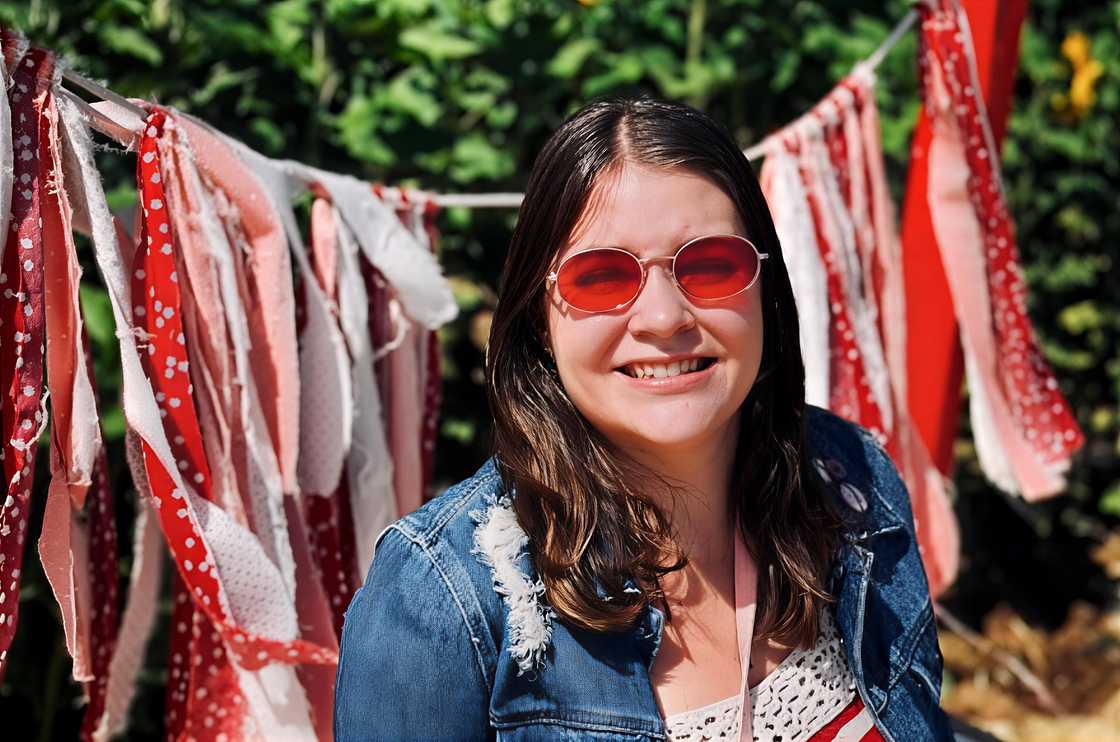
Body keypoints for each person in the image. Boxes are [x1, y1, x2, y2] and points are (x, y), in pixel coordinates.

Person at [333, 97, 954, 741]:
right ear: (540, 322)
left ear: (764, 289)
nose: (664, 318)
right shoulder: (441, 598)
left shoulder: (851, 483)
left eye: (713, 265)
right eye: (600, 277)